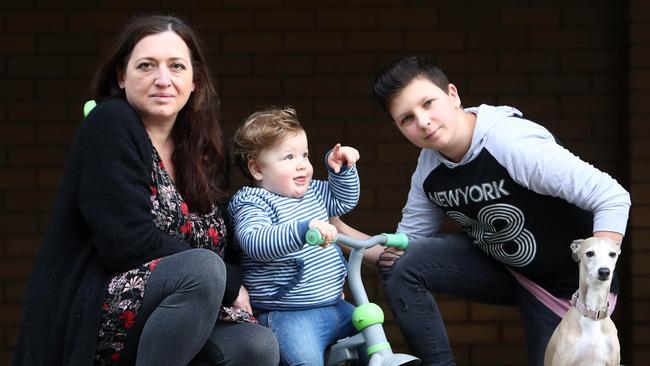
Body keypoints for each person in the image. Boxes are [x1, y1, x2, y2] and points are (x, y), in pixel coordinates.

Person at [13, 15, 279, 366]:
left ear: (195, 80)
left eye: (176, 66)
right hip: (99, 310)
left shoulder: (202, 148)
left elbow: (228, 241)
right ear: (122, 76)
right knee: (202, 270)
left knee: (255, 345)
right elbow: (126, 240)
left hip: (181, 314)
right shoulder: (110, 124)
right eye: (146, 66)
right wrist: (228, 282)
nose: (163, 80)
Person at [365, 56, 631, 366]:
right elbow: (397, 255)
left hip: (568, 292)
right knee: (405, 265)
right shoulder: (429, 169)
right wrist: (335, 229)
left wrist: (591, 295)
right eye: (406, 118)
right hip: (510, 271)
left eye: (428, 103)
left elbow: (611, 197)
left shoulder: (511, 143)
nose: (422, 121)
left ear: (452, 95)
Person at [228, 106, 362, 366]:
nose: (302, 164)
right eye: (288, 157)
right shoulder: (253, 202)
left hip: (336, 306)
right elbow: (256, 242)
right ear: (256, 169)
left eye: (305, 155)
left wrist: (342, 170)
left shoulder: (314, 193)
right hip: (287, 315)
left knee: (374, 338)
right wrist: (303, 230)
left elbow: (344, 201)